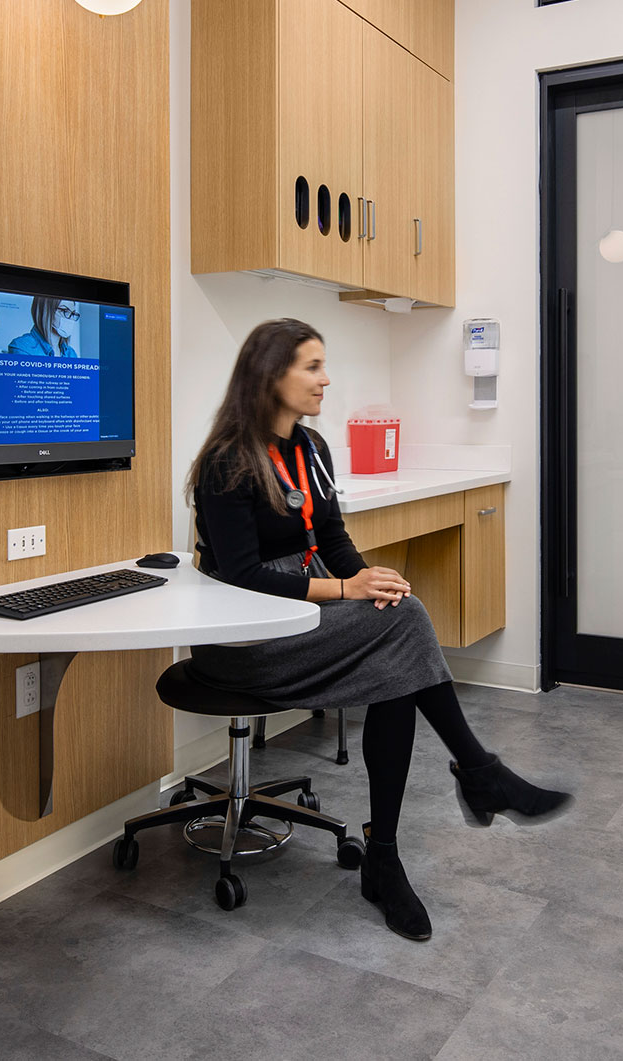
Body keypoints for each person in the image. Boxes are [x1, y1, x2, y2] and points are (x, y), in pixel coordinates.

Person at [187, 317, 570, 940]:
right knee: (406, 630)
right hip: (247, 638)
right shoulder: (228, 463)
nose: (325, 378)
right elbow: (244, 576)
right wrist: (348, 591)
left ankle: (388, 856)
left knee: (398, 639)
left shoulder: (311, 448)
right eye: (312, 366)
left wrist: (372, 586)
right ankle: (475, 776)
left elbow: (332, 538)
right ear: (269, 375)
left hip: (306, 614)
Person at [7, 296, 81, 358]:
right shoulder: (22, 347)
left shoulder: (71, 354)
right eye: (64, 311)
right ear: (45, 310)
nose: (70, 319)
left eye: (72, 313)